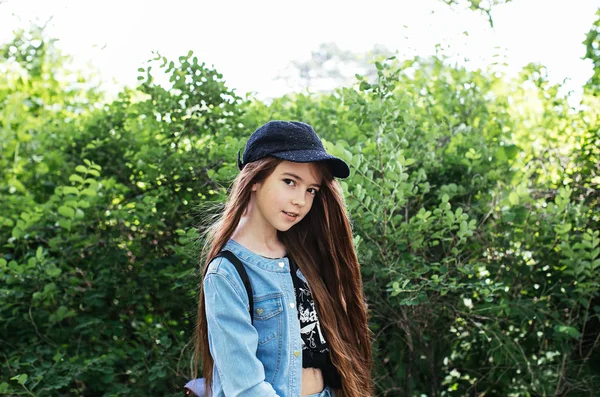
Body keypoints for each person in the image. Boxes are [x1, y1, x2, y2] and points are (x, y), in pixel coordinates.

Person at [193, 121, 373, 397]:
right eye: (290, 182)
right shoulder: (227, 273)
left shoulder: (304, 254)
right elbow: (246, 388)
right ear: (254, 180)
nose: (301, 200)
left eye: (311, 189)